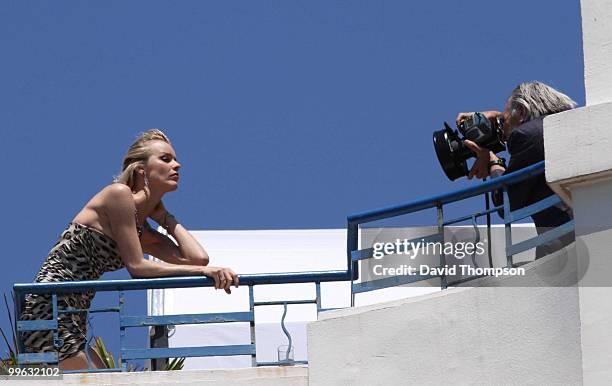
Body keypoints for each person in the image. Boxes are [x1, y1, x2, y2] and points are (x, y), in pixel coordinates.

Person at [19, 129, 239, 370]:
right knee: (83, 376)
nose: (178, 165)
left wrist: (165, 217)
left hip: (75, 308)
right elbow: (137, 267)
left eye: (175, 159)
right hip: (50, 301)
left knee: (93, 377)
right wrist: (202, 273)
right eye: (166, 159)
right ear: (141, 169)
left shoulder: (141, 229)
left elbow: (197, 258)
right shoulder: (118, 195)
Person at [456, 81, 576, 258]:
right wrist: (501, 116)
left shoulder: (525, 136)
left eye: (504, 120)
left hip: (566, 240)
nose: (503, 128)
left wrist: (492, 162)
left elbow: (507, 205)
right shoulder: (568, 124)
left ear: (521, 111)